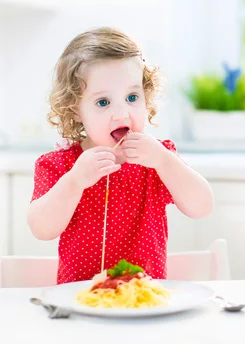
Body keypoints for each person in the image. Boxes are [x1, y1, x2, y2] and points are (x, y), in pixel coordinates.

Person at [27, 27, 214, 284]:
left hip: (144, 302)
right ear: (75, 110)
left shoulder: (157, 160)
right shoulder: (59, 165)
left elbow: (202, 206)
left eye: (132, 97)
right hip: (81, 303)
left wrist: (164, 161)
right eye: (103, 102)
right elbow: (42, 229)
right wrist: (74, 181)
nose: (121, 113)